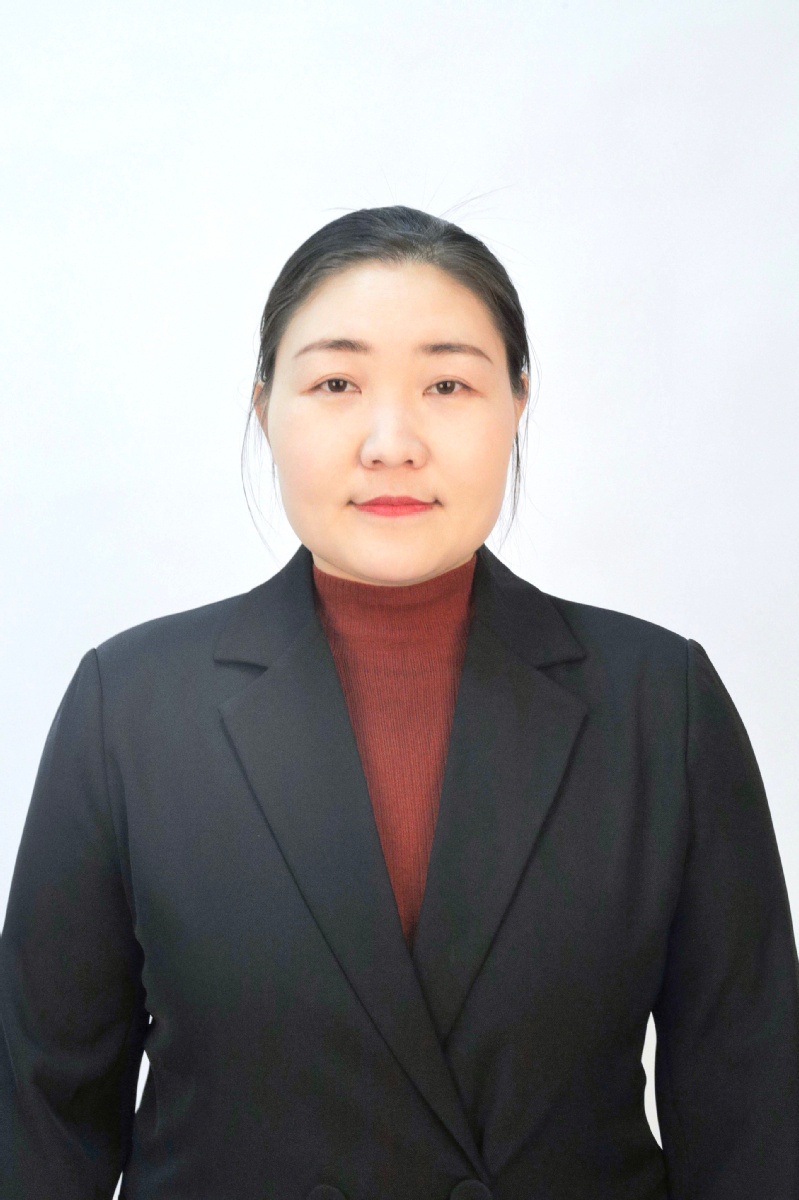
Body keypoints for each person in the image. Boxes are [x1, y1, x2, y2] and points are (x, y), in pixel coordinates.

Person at [1, 205, 797, 1200]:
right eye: (336, 383)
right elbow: (39, 1120)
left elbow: (752, 1119)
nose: (391, 443)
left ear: (516, 402)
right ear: (265, 408)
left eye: (447, 384)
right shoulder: (129, 708)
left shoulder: (658, 703)